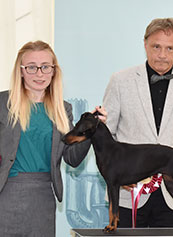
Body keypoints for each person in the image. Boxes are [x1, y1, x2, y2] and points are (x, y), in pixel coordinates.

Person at [102, 18, 173, 228]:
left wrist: (171, 157)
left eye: (170, 48)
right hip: (130, 196)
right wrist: (121, 168)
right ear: (145, 44)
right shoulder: (120, 80)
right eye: (156, 47)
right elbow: (107, 134)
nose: (162, 55)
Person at [0, 40, 106, 236]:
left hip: (44, 196)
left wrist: (90, 129)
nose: (39, 74)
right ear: (21, 71)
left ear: (54, 71)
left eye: (45, 67)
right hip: (7, 194)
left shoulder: (63, 109)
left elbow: (72, 159)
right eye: (31, 67)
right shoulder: (2, 104)